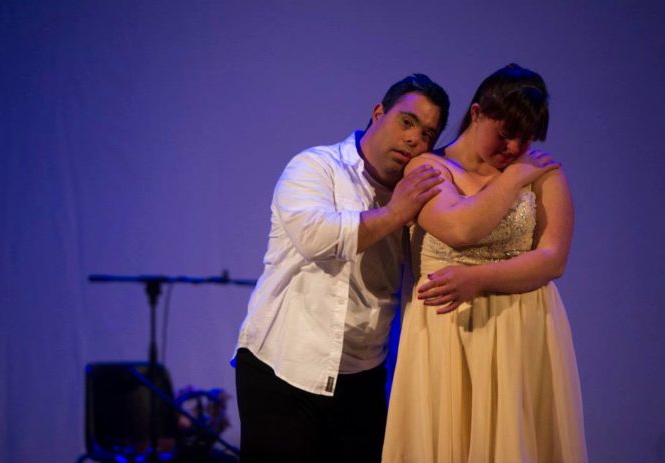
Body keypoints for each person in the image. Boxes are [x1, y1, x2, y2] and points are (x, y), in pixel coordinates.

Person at [233, 73, 553, 463]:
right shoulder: (316, 166)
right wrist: (395, 213)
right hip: (284, 366)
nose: (414, 139)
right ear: (378, 113)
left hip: (362, 373)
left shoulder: (420, 185)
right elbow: (317, 238)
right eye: (406, 122)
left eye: (428, 134)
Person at [382, 64, 588, 463]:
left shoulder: (543, 173)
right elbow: (460, 228)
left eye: (525, 139)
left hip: (522, 330)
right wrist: (513, 179)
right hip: (445, 333)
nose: (513, 148)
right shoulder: (429, 168)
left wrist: (478, 279)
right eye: (505, 133)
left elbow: (552, 260)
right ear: (477, 113)